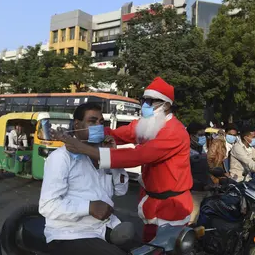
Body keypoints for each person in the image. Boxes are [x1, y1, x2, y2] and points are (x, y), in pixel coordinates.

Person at [52, 77, 193, 243]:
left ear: (166, 105)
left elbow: (137, 156)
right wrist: (79, 133)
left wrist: (83, 148)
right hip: (149, 202)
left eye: (150, 101)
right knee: (149, 243)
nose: (144, 105)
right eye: (143, 100)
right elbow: (118, 134)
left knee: (164, 247)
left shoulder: (174, 132)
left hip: (171, 206)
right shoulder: (147, 124)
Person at [39, 103, 128, 255]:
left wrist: (113, 157)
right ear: (77, 125)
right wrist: (89, 207)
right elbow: (47, 205)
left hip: (105, 227)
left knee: (146, 248)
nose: (98, 126)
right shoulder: (61, 158)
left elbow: (121, 190)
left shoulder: (101, 155)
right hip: (72, 233)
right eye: (92, 121)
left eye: (101, 122)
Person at [186, 122, 211, 224]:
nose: (203, 138)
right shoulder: (185, 151)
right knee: (191, 222)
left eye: (204, 135)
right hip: (193, 193)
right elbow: (184, 173)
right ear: (191, 136)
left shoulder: (202, 149)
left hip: (205, 190)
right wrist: (200, 184)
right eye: (200, 135)